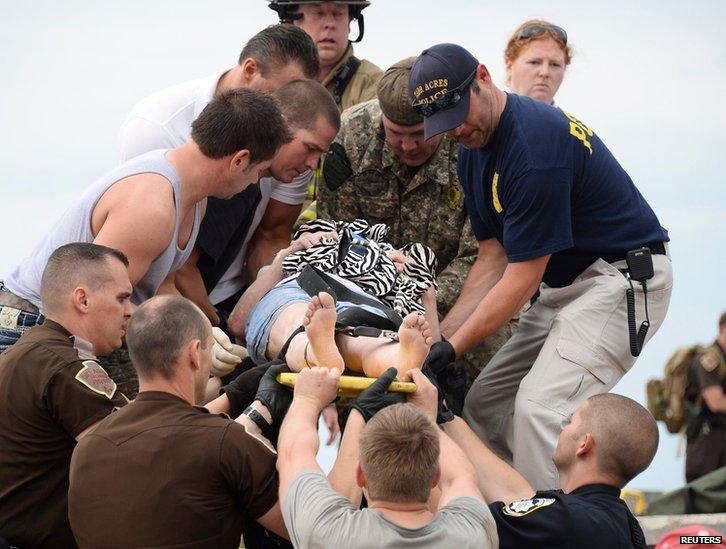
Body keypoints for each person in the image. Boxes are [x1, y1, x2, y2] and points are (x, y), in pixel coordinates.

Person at [410, 43, 673, 489]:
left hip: (621, 281)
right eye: (445, 123)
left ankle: (552, 530)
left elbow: (521, 276)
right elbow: (492, 258)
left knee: (540, 410)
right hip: (565, 287)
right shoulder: (471, 150)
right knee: (485, 406)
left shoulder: (534, 148)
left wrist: (451, 349)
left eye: (459, 113)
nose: (457, 130)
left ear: (484, 77)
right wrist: (440, 339)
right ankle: (509, 520)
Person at [0, 88, 290, 360]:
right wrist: (183, 341)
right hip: (30, 323)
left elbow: (162, 283)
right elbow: (89, 307)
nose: (256, 181)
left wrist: (200, 331)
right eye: (261, 171)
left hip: (77, 323)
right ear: (239, 161)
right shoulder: (151, 207)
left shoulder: (193, 198)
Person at [317, 56, 515, 391]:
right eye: (396, 134)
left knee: (484, 392)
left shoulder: (469, 143)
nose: (408, 146)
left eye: (420, 133)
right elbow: (338, 234)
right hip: (372, 294)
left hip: (464, 300)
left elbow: (483, 255)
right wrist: (387, 290)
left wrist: (422, 298)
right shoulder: (351, 140)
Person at [119, 25, 322, 327]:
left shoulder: (296, 148)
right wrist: (199, 326)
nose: (286, 115)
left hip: (232, 294)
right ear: (250, 70)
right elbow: (143, 266)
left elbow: (272, 234)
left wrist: (263, 314)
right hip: (150, 300)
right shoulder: (157, 126)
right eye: (281, 96)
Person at [68, 295, 287, 548]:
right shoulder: (228, 443)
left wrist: (237, 398)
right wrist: (303, 405)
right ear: (195, 353)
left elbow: (175, 432)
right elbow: (309, 527)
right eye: (208, 349)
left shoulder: (86, 449)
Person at [172, 80, 340, 330]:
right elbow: (182, 269)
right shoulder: (236, 178)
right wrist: (216, 327)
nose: (313, 164)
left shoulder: (255, 177)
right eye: (309, 148)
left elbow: (272, 236)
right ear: (282, 126)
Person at [0, 243, 132, 549]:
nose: (129, 311)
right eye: (122, 298)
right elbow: (134, 452)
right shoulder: (67, 367)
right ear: (83, 299)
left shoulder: (34, 349)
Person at [277, 366, 498, 548]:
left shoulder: (327, 533)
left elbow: (293, 454)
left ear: (360, 475)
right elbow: (462, 477)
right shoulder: (472, 535)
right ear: (435, 477)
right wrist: (427, 417)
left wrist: (307, 399)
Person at [439, 389, 654, 548]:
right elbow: (517, 496)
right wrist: (445, 416)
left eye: (570, 422)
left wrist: (423, 421)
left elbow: (461, 523)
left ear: (584, 444)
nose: (563, 429)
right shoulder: (622, 524)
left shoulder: (565, 519)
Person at [227, 228, 437, 378]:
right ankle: (314, 349)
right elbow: (238, 322)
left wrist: (422, 286)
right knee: (297, 319)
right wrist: (285, 256)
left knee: (360, 336)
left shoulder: (401, 269)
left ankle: (394, 361)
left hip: (367, 301)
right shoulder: (304, 251)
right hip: (301, 286)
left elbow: (435, 352)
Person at [268, 0, 382, 112]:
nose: (330, 24)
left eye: (338, 14)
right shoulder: (267, 78)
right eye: (318, 13)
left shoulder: (373, 84)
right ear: (291, 21)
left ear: (350, 21)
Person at [685, 312, 726, 482]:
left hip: (721, 439)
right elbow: (716, 402)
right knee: (703, 495)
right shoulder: (709, 360)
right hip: (708, 441)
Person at [504, 19, 572, 105]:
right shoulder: (488, 117)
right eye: (534, 62)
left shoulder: (565, 119)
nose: (545, 72)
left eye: (555, 65)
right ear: (509, 65)